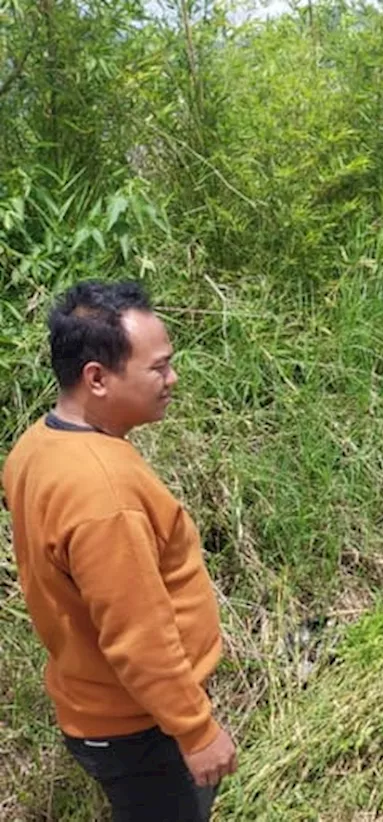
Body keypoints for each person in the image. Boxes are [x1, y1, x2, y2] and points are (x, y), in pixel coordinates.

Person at [2, 281, 237, 820]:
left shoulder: (38, 443)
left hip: (107, 707)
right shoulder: (103, 494)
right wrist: (196, 732)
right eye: (159, 368)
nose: (172, 379)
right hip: (141, 726)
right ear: (97, 378)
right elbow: (138, 634)